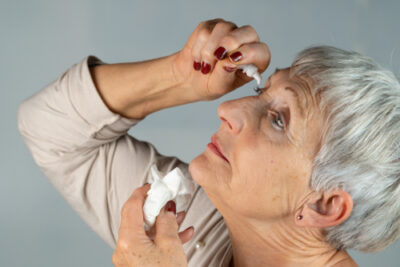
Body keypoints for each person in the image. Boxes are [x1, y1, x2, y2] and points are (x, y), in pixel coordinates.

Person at [18, 18, 400, 266]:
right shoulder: (197, 221)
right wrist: (181, 77)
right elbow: (50, 129)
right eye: (262, 90)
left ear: (324, 204)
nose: (228, 108)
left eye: (278, 120)